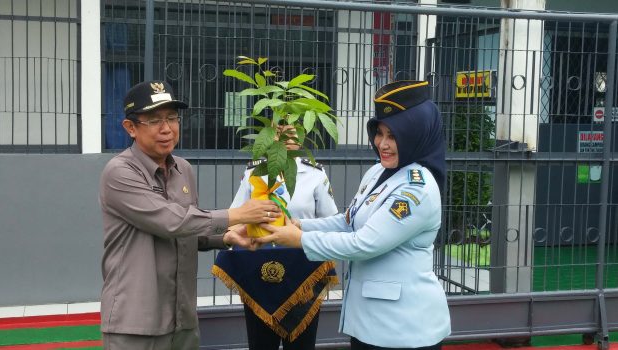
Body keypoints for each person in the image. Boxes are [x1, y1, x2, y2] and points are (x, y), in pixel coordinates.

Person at [258, 80, 451, 350]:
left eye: (393, 136)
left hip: (404, 329)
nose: (382, 143)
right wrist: (301, 224)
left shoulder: (417, 188)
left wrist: (299, 239)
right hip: (370, 322)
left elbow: (364, 242)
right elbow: (348, 221)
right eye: (379, 133)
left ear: (415, 135)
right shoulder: (378, 172)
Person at [99, 80, 281, 350]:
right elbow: (171, 222)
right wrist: (239, 214)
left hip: (182, 318)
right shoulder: (120, 172)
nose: (166, 129)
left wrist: (229, 237)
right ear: (130, 128)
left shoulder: (183, 169)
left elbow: (189, 230)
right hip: (135, 321)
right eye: (154, 120)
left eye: (172, 118)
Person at [228, 125, 339, 350]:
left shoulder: (315, 174)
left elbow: (331, 221)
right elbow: (236, 216)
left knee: (301, 343)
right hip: (261, 270)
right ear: (270, 135)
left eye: (295, 130)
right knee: (261, 343)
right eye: (280, 131)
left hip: (302, 272)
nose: (288, 136)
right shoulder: (255, 172)